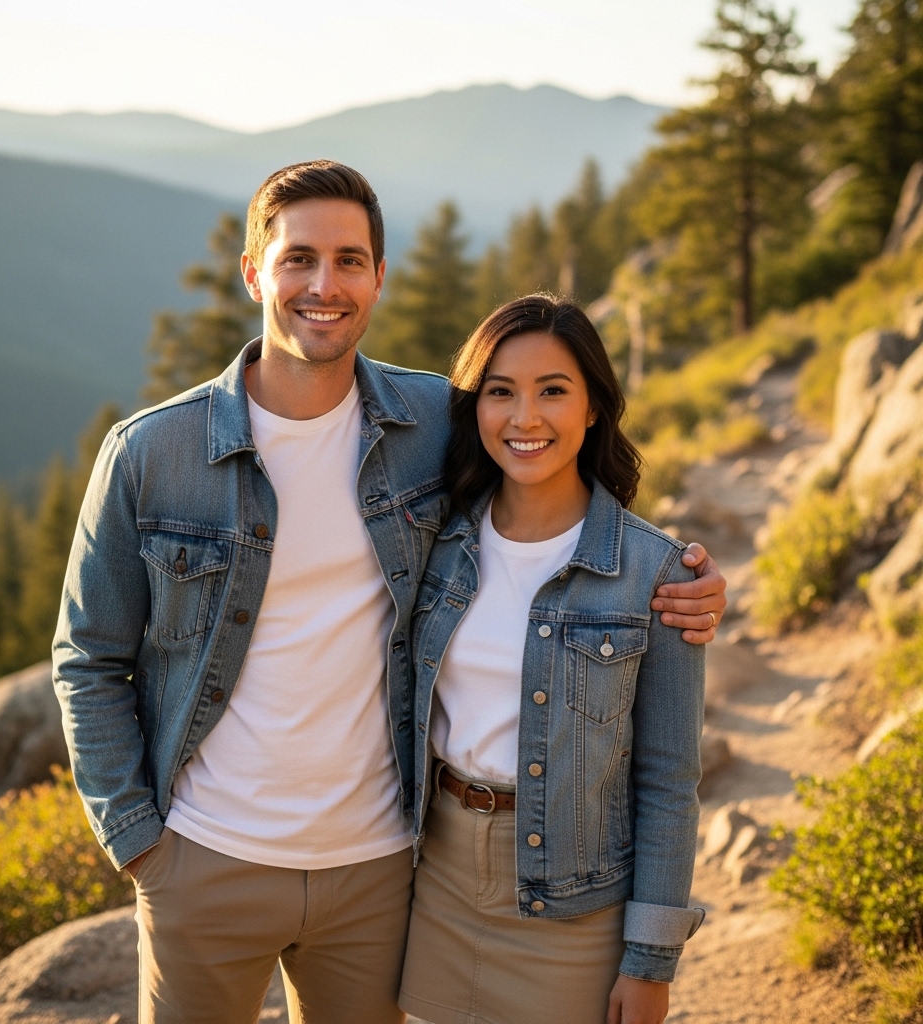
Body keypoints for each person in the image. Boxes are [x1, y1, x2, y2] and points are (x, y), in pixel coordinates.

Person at [53, 161, 725, 1024]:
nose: (323, 285)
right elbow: (88, 658)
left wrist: (681, 579)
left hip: (378, 872)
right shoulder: (153, 454)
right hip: (207, 858)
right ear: (254, 272)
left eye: (349, 260)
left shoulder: (435, 421)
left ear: (378, 277)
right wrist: (139, 843)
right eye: (298, 259)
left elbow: (549, 480)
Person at [399, 295, 705, 1024]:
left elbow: (669, 780)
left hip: (574, 904)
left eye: (553, 391)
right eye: (500, 392)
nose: (525, 418)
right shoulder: (433, 545)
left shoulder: (655, 572)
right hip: (435, 879)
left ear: (594, 407)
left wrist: (650, 961)